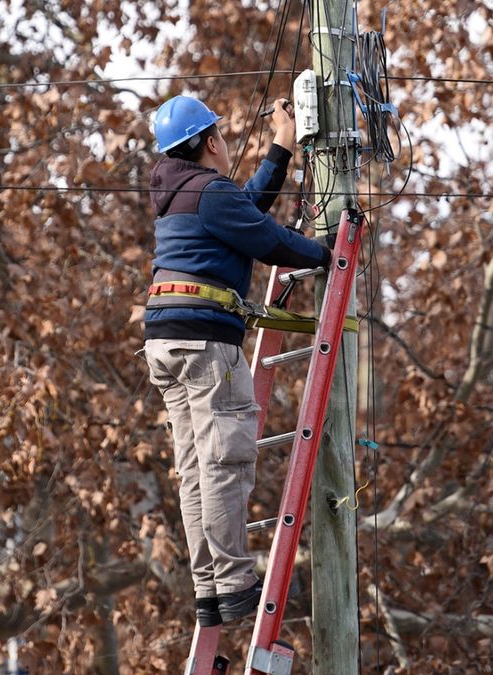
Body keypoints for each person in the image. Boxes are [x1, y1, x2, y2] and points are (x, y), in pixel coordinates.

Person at [142, 94, 330, 626]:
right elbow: (265, 238)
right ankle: (234, 581)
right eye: (220, 137)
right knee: (224, 461)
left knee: (198, 469)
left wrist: (281, 150)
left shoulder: (183, 192)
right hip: (204, 343)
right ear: (208, 142)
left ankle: (210, 588)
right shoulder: (209, 191)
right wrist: (329, 250)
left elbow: (244, 212)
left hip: (167, 340)